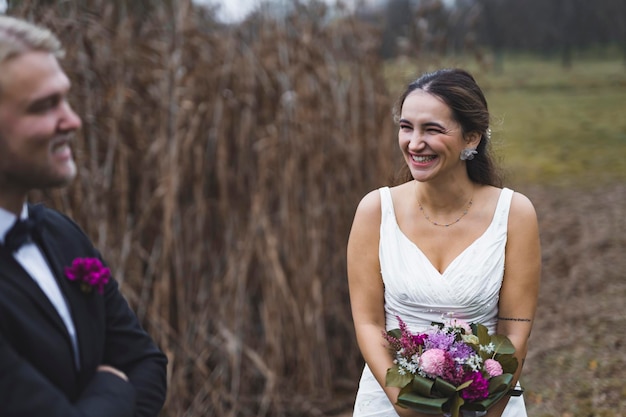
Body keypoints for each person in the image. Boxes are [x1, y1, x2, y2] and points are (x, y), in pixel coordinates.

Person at [347, 68, 541, 417]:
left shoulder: (514, 214)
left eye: (432, 130)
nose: (414, 143)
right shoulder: (375, 211)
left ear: (472, 138)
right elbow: (368, 323)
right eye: (406, 127)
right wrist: (403, 404)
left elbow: (516, 329)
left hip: (486, 401)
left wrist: (488, 410)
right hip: (390, 401)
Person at [0, 15, 167, 417]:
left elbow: (148, 363)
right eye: (44, 106)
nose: (72, 121)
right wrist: (112, 384)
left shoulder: (60, 234)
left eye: (66, 98)